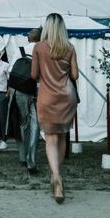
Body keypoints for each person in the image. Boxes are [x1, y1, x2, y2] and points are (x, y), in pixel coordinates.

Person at [31, 13, 78, 203]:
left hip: (47, 97)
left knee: (50, 138)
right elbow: (75, 75)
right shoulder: (69, 47)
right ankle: (57, 175)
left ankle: (56, 176)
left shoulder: (39, 47)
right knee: (62, 135)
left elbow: (34, 74)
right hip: (67, 97)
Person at [10, 28, 41, 174]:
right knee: (36, 125)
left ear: (29, 38)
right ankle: (31, 161)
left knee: (23, 123)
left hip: (21, 91)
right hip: (38, 91)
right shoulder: (44, 50)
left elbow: (11, 70)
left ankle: (23, 156)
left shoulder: (20, 50)